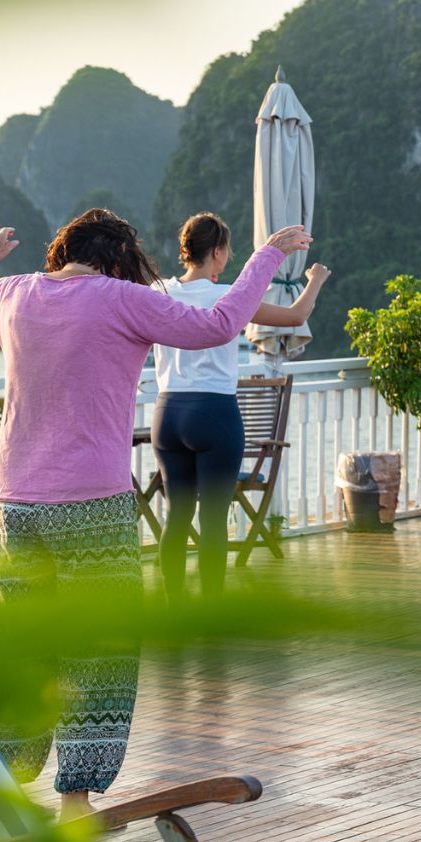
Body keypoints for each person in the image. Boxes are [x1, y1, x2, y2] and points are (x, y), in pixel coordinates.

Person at [0, 209, 308, 817]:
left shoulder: (12, 293)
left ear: (63, 252)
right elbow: (220, 322)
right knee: (97, 650)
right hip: (91, 508)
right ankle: (74, 801)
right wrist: (267, 255)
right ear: (115, 259)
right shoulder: (120, 298)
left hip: (11, 506)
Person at [152, 211, 331, 603]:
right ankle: (212, 609)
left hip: (167, 415)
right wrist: (315, 281)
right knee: (214, 519)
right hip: (214, 412)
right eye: (226, 251)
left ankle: (173, 607)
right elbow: (295, 316)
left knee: (177, 516)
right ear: (216, 252)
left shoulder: (158, 292)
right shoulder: (228, 297)